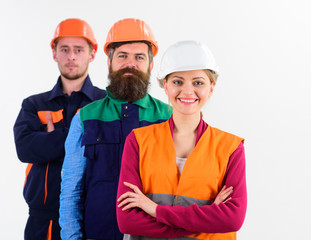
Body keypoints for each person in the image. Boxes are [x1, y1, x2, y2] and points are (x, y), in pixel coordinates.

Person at [117, 40, 247, 240]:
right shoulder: (138, 141)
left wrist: (155, 210)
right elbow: (127, 221)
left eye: (198, 82)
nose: (187, 91)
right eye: (177, 81)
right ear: (165, 86)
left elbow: (233, 219)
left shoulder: (230, 148)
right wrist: (208, 219)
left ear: (211, 88)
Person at [59, 18, 172, 240]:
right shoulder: (84, 118)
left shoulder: (168, 117)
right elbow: (71, 190)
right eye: (122, 56)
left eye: (139, 57)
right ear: (109, 62)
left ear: (150, 65)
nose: (130, 63)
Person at [13, 18, 106, 240]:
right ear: (54, 53)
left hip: (93, 217)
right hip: (43, 221)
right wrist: (81, 138)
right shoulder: (34, 104)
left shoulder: (105, 104)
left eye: (78, 50)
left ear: (92, 54)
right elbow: (25, 149)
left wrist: (51, 139)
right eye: (64, 49)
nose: (71, 56)